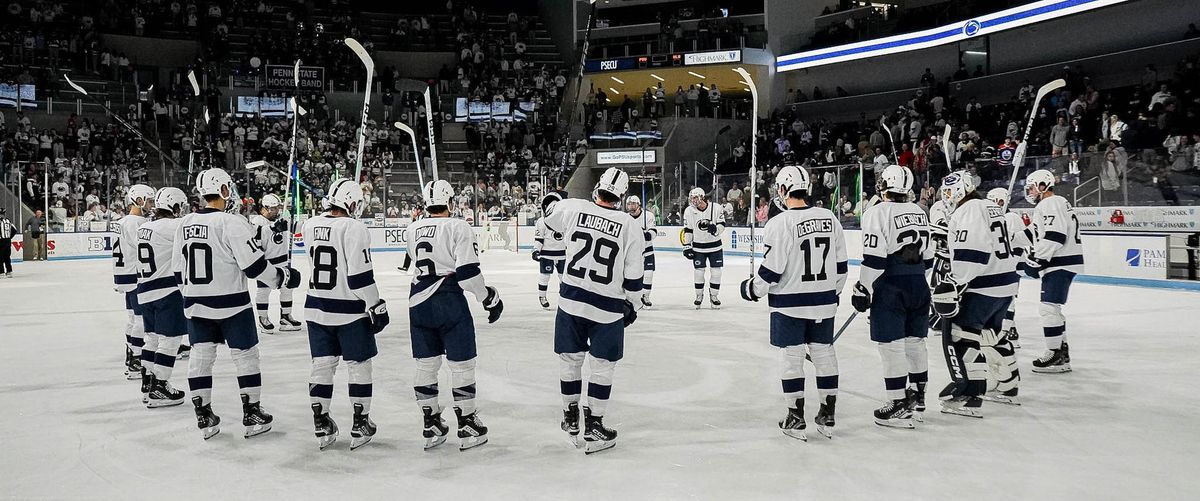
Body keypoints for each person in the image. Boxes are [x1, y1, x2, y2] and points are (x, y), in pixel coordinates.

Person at [175, 168, 300, 440]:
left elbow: (177, 269)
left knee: (201, 358)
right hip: (232, 304)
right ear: (223, 190)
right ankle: (251, 411)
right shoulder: (232, 223)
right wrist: (283, 277)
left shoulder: (183, 224)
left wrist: (191, 294)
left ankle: (203, 415)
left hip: (196, 303)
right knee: (246, 357)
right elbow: (254, 267)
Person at [740, 165, 847, 440]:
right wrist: (831, 294)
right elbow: (842, 267)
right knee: (824, 354)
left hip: (789, 305)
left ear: (783, 189)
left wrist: (752, 289)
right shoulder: (829, 218)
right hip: (824, 302)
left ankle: (795, 416)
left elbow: (772, 270)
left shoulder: (779, 223)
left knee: (792, 357)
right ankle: (828, 413)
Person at [542, 167, 642, 454]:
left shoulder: (574, 208)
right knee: (602, 367)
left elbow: (548, 214)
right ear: (622, 195)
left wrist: (556, 197)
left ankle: (571, 417)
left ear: (598, 187)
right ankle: (594, 425)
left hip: (571, 300)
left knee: (569, 360)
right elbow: (634, 277)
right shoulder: (629, 225)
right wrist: (632, 304)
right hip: (607, 307)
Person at [406, 180, 504, 451]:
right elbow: (468, 274)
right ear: (450, 202)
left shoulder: (413, 228)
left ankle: (430, 423)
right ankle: (467, 422)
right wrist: (488, 297)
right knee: (461, 365)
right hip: (448, 300)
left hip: (417, 302)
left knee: (426, 365)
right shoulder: (458, 226)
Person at [302, 179, 387, 451]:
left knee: (322, 365)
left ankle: (321, 421)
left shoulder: (310, 224)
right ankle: (360, 422)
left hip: (316, 307)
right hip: (349, 311)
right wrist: (376, 305)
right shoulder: (354, 228)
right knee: (359, 365)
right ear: (352, 203)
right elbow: (360, 278)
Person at [851, 165, 934, 428]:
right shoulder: (920, 211)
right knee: (915, 343)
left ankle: (898, 402)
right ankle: (918, 398)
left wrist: (863, 287)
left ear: (885, 185)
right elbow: (929, 258)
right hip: (919, 283)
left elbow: (875, 259)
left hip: (891, 285)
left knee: (891, 347)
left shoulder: (877, 212)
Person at [932, 171, 1018, 418]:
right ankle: (1008, 385)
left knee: (961, 336)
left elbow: (974, 252)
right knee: (991, 336)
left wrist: (955, 281)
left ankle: (971, 394)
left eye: (949, 191)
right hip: (1005, 283)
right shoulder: (989, 206)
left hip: (983, 285)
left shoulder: (968, 210)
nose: (946, 196)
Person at [1022, 170, 1084, 373]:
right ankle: (1061, 354)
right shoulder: (1055, 203)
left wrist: (1037, 260)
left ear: (1043, 186)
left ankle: (1055, 353)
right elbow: (1032, 234)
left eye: (1032, 188)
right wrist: (1006, 237)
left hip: (1060, 262)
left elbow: (1055, 236)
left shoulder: (1049, 203)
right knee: (1052, 309)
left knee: (1048, 308)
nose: (1030, 192)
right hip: (1062, 261)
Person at [135, 188, 191, 408]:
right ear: (174, 206)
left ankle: (148, 382)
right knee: (170, 340)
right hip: (166, 290)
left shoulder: (144, 227)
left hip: (144, 289)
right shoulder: (174, 226)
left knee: (151, 339)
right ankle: (159, 386)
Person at [982, 187, 1028, 404]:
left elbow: (1017, 247)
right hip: (1001, 276)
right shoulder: (998, 219)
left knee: (993, 334)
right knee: (993, 334)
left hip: (1005, 276)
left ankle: (1008, 382)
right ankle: (1007, 380)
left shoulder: (1011, 218)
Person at [112, 184, 155, 381]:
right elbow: (145, 249)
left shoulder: (121, 221)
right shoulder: (139, 223)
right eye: (150, 200)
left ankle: (131, 353)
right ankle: (136, 359)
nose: (152, 205)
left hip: (123, 274)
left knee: (132, 318)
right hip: (135, 274)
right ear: (139, 200)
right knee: (140, 319)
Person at [249, 194, 301, 334]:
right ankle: (263, 318)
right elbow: (256, 239)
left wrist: (299, 223)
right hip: (266, 264)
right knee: (264, 291)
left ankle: (285, 317)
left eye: (278, 208)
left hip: (283, 261)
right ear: (266, 208)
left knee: (288, 288)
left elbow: (297, 228)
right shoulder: (257, 221)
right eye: (275, 208)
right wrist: (273, 228)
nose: (277, 211)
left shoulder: (281, 219)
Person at [683, 187, 726, 309]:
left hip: (715, 246)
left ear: (702, 197)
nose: (693, 200)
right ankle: (699, 295)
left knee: (716, 272)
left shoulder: (716, 208)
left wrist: (716, 230)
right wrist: (687, 245)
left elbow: (722, 224)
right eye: (691, 198)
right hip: (698, 248)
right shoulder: (689, 211)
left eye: (695, 197)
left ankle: (714, 296)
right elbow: (688, 229)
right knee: (698, 272)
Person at [532, 191, 567, 309]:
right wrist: (536, 250)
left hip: (562, 255)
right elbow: (539, 239)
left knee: (564, 278)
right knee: (545, 276)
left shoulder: (565, 221)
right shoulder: (541, 222)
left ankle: (564, 298)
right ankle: (542, 296)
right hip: (547, 255)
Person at [626, 194, 656, 308]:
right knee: (631, 276)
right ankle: (630, 298)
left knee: (648, 274)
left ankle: (645, 296)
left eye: (633, 204)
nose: (631, 206)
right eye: (629, 204)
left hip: (647, 250)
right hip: (632, 253)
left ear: (638, 205)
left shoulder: (648, 216)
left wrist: (644, 234)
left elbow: (652, 233)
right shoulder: (625, 218)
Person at [0, 207, 15, 277]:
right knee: (7, 257)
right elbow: (14, 230)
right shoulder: (8, 220)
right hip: (8, 241)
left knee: (0, 257)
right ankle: (9, 271)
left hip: (1, 241)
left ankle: (1, 272)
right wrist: (9, 237)